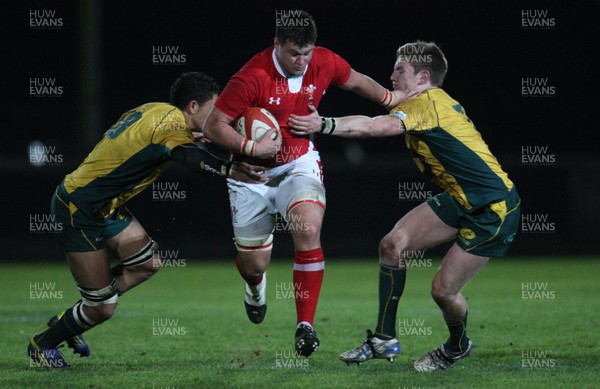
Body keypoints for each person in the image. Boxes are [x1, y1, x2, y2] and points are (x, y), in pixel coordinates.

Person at [289, 41, 521, 371]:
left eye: (400, 70)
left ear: (423, 76)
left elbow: (374, 127)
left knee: (443, 291)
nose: (392, 74)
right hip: (460, 198)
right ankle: (384, 339)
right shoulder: (425, 104)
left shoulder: (427, 104)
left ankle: (457, 346)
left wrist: (322, 124)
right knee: (392, 245)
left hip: (493, 207)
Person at [27, 71, 278, 368]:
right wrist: (228, 169)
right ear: (193, 107)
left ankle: (74, 316)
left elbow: (155, 144)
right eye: (214, 110)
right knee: (103, 309)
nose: (218, 118)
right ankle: (42, 345)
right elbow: (190, 159)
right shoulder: (172, 126)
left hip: (102, 205)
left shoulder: (151, 109)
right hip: (79, 209)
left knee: (147, 263)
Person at [203, 10, 408, 357]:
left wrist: (389, 100)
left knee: (308, 229)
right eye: (293, 53)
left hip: (298, 163)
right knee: (254, 266)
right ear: (277, 45)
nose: (301, 61)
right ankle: (255, 287)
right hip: (251, 175)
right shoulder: (252, 76)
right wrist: (250, 147)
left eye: (306, 53)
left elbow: (355, 79)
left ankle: (305, 327)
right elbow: (213, 126)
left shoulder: (323, 61)